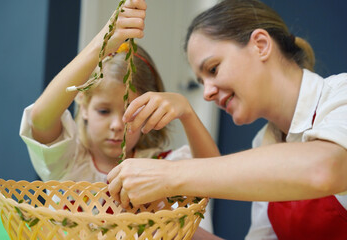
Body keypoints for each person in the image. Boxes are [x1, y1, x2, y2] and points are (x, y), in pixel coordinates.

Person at [107, 0, 347, 239]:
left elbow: (326, 168)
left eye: (213, 69)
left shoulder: (341, 93)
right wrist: (165, 222)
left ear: (261, 45)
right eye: (201, 82)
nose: (207, 93)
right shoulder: (264, 143)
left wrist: (167, 176)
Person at [19, 0, 218, 233]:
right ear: (83, 106)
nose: (116, 125)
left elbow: (213, 176)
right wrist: (101, 45)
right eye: (103, 111)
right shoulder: (69, 162)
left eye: (131, 112)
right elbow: (40, 119)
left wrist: (187, 112)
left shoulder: (162, 168)